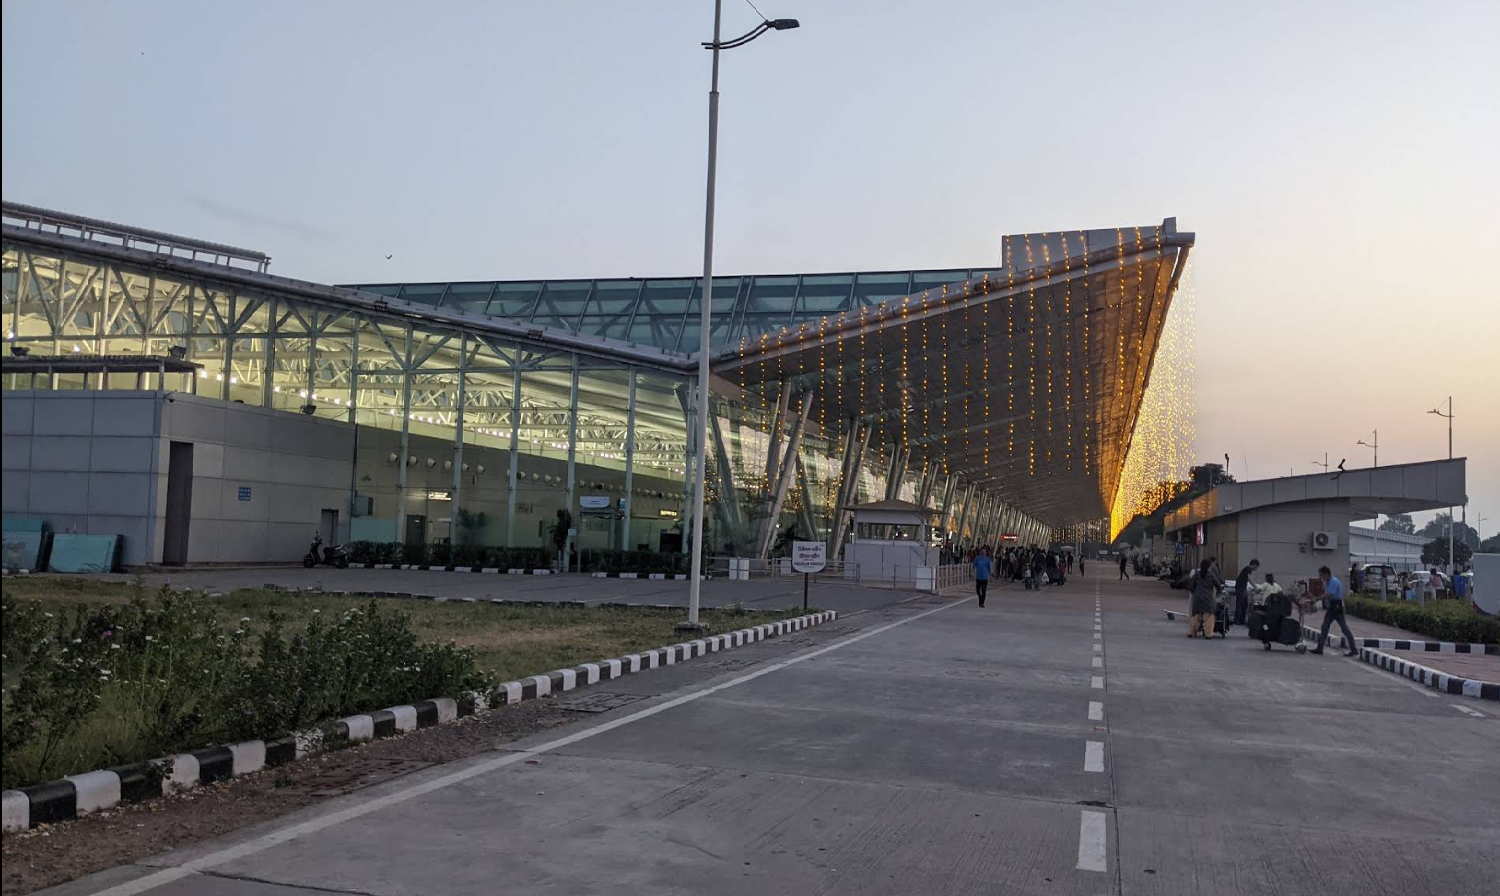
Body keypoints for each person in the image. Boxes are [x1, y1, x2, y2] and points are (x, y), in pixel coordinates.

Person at [1310, 565, 1359, 656]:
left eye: (1321, 575)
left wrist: (1317, 599)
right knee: (1325, 627)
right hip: (1332, 607)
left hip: (1337, 607)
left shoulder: (1333, 581)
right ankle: (1320, 648)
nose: (1320, 577)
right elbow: (1326, 596)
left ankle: (1354, 649)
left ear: (1326, 574)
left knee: (1344, 629)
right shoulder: (1327, 582)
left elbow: (1330, 595)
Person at [1188, 559, 1221, 638]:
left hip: (1197, 597)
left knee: (1196, 615)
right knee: (1209, 616)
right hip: (1208, 598)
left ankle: (1192, 632)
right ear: (1209, 567)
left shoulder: (1197, 575)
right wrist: (1219, 591)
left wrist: (1195, 591)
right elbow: (1218, 585)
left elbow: (1190, 585)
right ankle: (1208, 634)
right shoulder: (1211, 575)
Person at [1233, 559, 1260, 625]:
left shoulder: (1246, 569)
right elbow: (1249, 578)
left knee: (1244, 604)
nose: (1256, 568)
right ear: (1253, 565)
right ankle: (1237, 620)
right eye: (1256, 567)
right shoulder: (1248, 568)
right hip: (1240, 589)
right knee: (1240, 604)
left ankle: (1242, 620)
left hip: (1242, 588)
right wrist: (1255, 587)